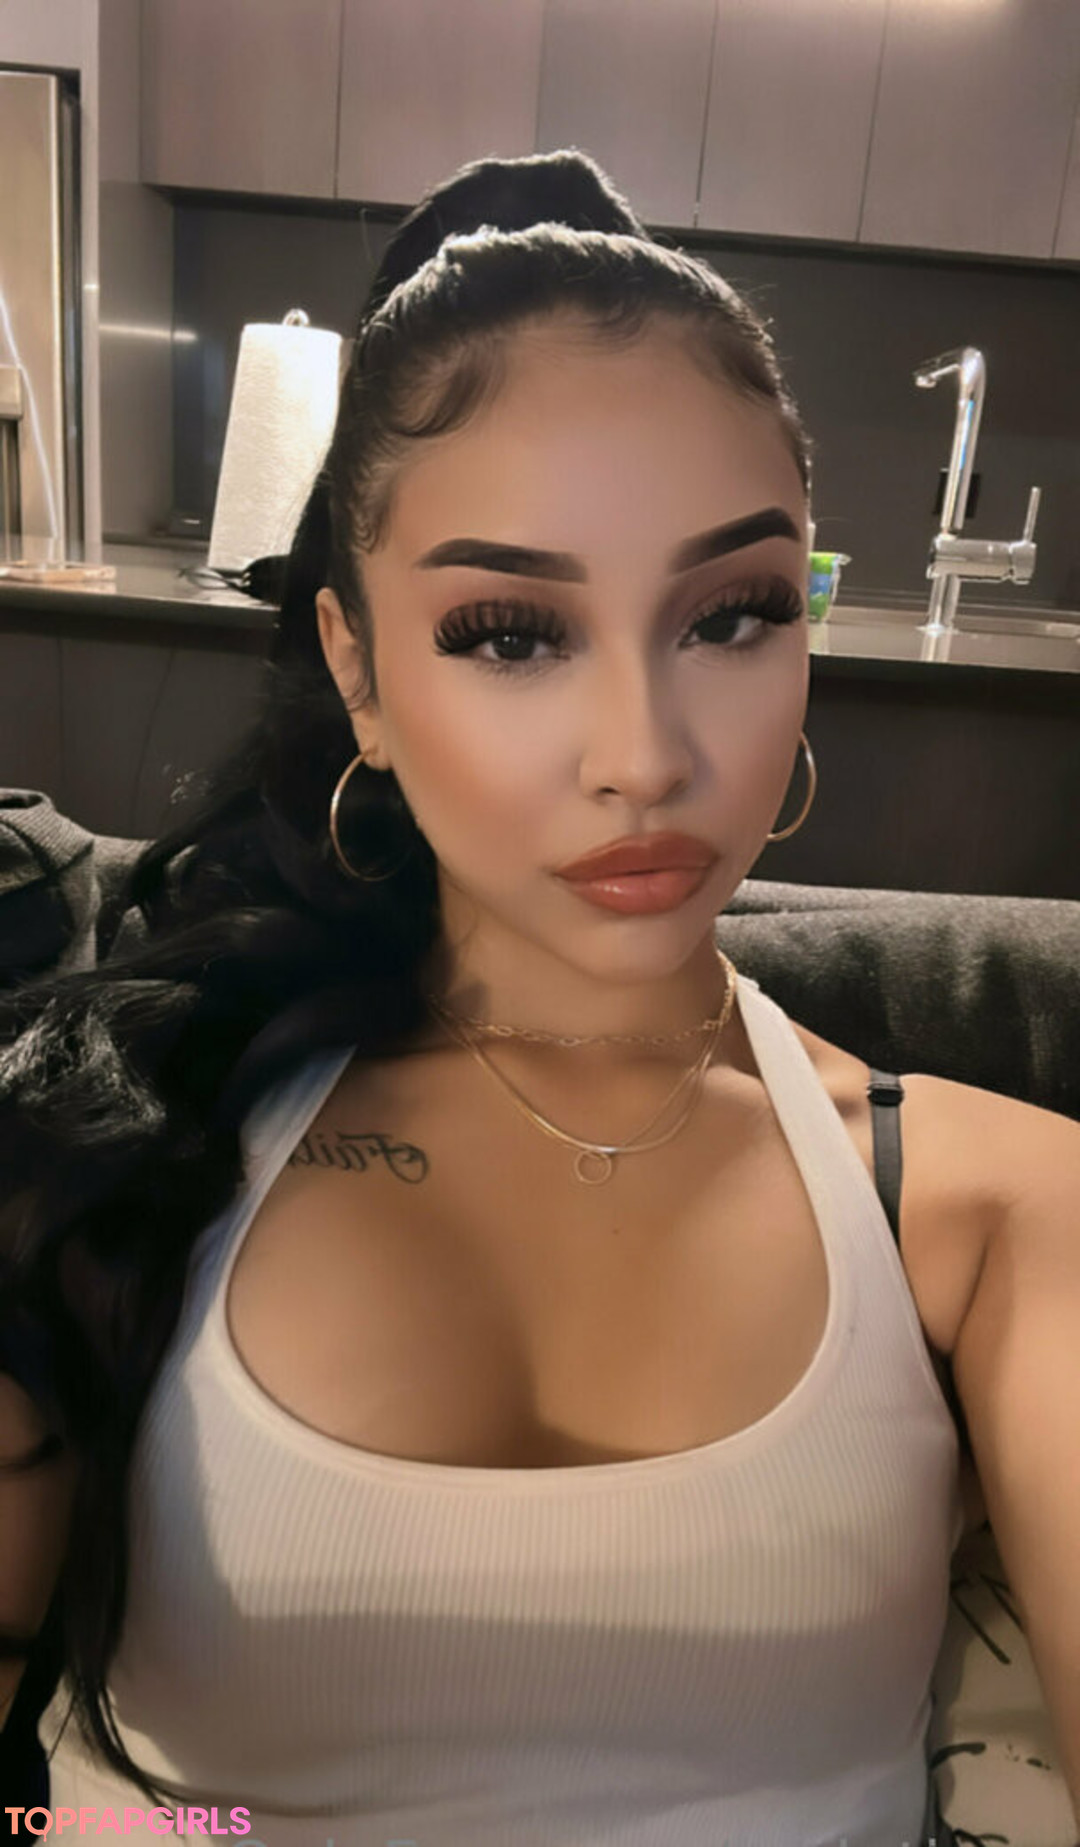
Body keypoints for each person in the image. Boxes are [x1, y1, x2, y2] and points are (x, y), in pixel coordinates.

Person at [1, 149, 1077, 1847]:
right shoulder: (114, 1151)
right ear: (355, 668)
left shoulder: (1000, 1211)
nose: (644, 756)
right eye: (511, 632)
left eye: (731, 615)